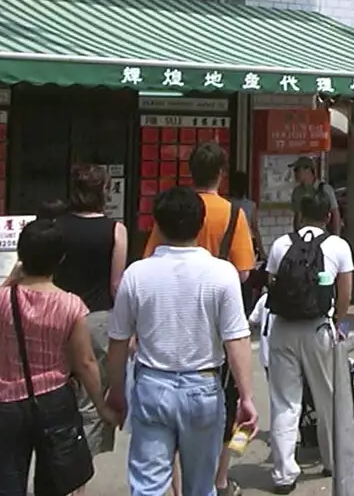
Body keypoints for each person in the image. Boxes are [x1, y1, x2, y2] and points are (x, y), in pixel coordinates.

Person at [107, 186, 257, 496]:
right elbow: (236, 340)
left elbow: (119, 340)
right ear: (201, 225)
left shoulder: (136, 274)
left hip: (151, 386)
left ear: (156, 226)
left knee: (147, 486)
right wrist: (246, 397)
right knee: (201, 487)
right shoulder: (222, 273)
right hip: (203, 388)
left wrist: (118, 391)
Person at [142, 143, 256, 496]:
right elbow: (244, 271)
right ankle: (218, 479)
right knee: (222, 406)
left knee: (166, 424)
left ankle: (176, 488)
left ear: (190, 172)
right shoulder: (233, 213)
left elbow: (150, 259)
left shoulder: (174, 211)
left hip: (173, 323)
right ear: (221, 173)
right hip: (217, 327)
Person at [0, 218, 118, 496]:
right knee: (53, 484)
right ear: (60, 259)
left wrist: (10, 279)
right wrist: (102, 407)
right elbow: (85, 362)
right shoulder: (71, 305)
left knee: (8, 485)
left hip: (7, 404)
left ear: (21, 256)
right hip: (55, 401)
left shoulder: (1, 299)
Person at [265, 190, 354, 495]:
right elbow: (345, 295)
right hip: (318, 330)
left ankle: (283, 473)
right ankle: (332, 461)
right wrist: (338, 322)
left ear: (300, 214)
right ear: (328, 217)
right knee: (327, 396)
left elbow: (272, 286)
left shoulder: (280, 244)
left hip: (283, 329)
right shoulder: (338, 246)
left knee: (284, 401)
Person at [51, 164, 128, 460]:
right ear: (104, 191)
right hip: (96, 320)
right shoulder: (115, 231)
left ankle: (58, 458)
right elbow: (116, 284)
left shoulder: (56, 226)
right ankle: (80, 466)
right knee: (91, 395)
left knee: (57, 389)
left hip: (58, 315)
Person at [290, 157, 343, 235]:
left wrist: (336, 236)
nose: (295, 173)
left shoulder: (325, 189)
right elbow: (297, 216)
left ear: (307, 170)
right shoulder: (297, 192)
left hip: (321, 234)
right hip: (303, 235)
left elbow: (335, 214)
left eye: (297, 170)